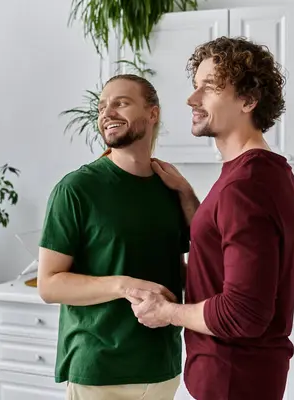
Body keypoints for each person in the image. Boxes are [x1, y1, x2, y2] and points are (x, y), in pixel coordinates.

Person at [126, 36, 294, 400]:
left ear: (248, 101)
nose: (192, 100)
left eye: (209, 88)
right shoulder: (260, 171)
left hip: (231, 379)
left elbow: (243, 313)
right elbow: (224, 250)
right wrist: (192, 201)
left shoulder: (246, 185)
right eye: (195, 87)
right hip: (240, 377)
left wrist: (166, 312)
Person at [37, 73, 189, 400]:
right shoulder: (77, 189)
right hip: (100, 370)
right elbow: (48, 284)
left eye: (121, 102)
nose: (107, 112)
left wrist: (188, 196)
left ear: (153, 113)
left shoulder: (170, 188)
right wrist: (123, 285)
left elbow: (180, 270)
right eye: (102, 106)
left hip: (163, 367)